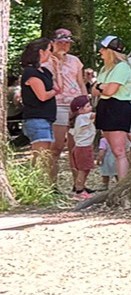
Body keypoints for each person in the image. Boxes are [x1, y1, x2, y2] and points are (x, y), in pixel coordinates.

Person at [92, 36, 131, 185]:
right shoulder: (105, 69)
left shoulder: (122, 67)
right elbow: (95, 90)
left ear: (111, 51)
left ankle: (123, 185)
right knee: (113, 149)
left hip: (118, 108)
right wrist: (102, 87)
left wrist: (101, 86)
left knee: (119, 151)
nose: (100, 51)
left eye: (103, 49)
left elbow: (110, 90)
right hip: (105, 108)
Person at [46, 28, 83, 190]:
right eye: (60, 42)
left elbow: (80, 82)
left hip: (76, 105)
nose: (64, 46)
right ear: (53, 43)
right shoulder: (46, 61)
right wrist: (57, 62)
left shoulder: (75, 61)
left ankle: (78, 184)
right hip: (57, 105)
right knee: (57, 147)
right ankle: (51, 185)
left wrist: (84, 101)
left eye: (67, 43)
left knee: (76, 147)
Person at [18, 39, 57, 170]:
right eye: (49, 50)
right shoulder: (30, 73)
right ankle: (36, 185)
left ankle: (43, 185)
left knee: (46, 156)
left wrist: (57, 69)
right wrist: (54, 91)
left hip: (46, 118)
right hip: (37, 119)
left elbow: (58, 86)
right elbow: (43, 96)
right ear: (41, 51)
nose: (51, 54)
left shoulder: (44, 72)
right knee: (41, 156)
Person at [66, 94, 97, 198]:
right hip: (83, 148)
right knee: (83, 170)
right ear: (80, 110)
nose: (91, 108)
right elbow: (95, 115)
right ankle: (79, 189)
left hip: (82, 147)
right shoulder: (83, 117)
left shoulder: (78, 119)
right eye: (88, 106)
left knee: (85, 168)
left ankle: (81, 186)